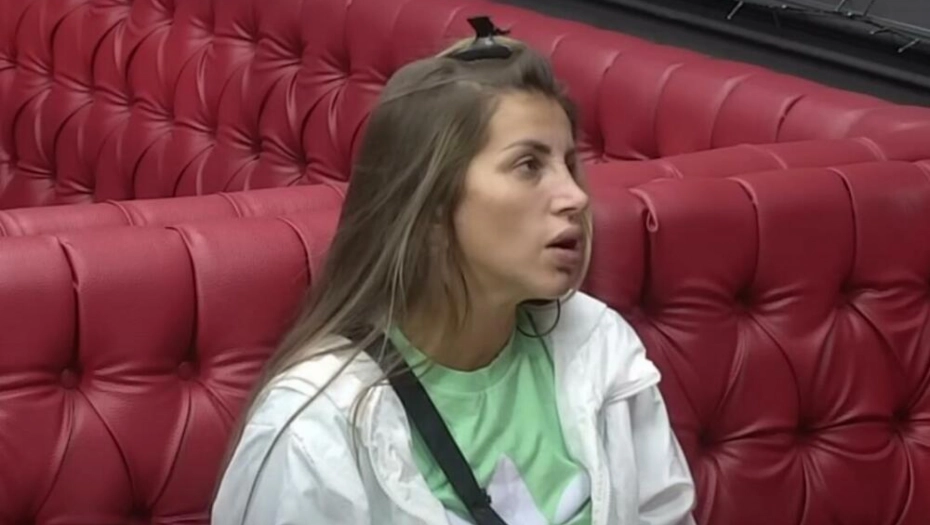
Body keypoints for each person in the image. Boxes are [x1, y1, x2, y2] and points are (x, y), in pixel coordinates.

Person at [212, 16, 696, 525]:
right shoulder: (317, 429)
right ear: (432, 206)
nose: (575, 196)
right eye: (529, 166)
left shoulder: (597, 343)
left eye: (569, 164)